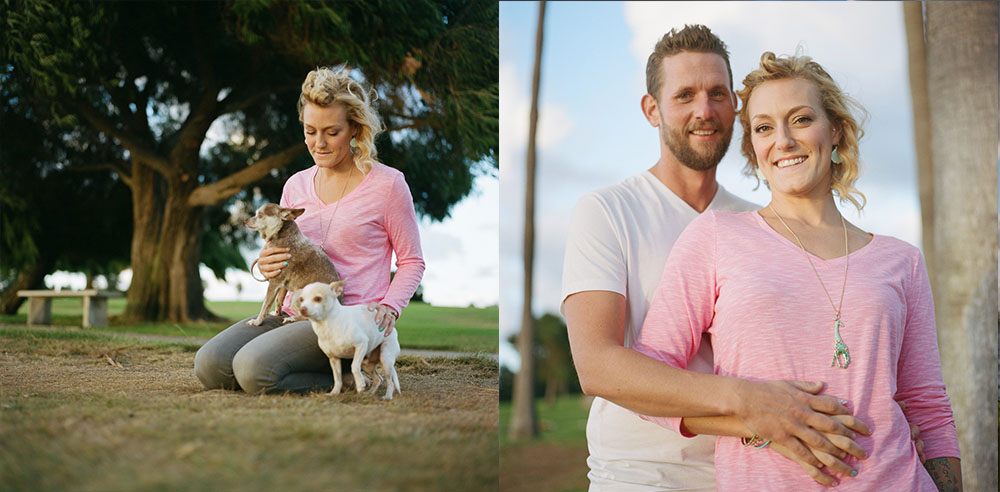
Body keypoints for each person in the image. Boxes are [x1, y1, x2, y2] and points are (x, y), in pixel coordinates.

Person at [562, 25, 878, 491]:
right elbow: (597, 365)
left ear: (736, 105)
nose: (704, 111)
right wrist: (749, 406)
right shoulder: (607, 211)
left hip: (752, 474)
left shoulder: (762, 223)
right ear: (652, 109)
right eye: (684, 95)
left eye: (716, 94)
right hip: (641, 475)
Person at [633, 51, 961, 491]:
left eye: (801, 119)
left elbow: (927, 405)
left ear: (836, 129)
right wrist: (752, 420)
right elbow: (648, 384)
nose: (783, 140)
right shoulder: (715, 236)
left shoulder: (903, 260)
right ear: (753, 147)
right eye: (764, 127)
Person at [194, 67, 424, 394]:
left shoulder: (388, 185)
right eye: (310, 131)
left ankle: (350, 377)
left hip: (348, 318)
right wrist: (265, 264)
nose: (319, 143)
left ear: (355, 129)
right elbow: (281, 252)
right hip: (293, 311)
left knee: (251, 369)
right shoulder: (296, 185)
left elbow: (412, 261)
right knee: (210, 365)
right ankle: (322, 372)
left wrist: (391, 306)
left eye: (332, 132)